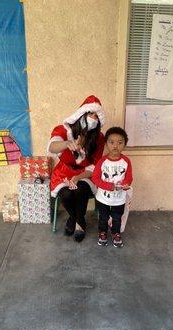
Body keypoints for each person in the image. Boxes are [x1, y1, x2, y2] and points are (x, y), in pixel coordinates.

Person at [47, 95, 105, 242]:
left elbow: (95, 165)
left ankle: (77, 223)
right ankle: (77, 219)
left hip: (85, 174)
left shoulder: (99, 138)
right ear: (81, 114)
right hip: (64, 172)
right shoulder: (63, 130)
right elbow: (52, 147)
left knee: (80, 190)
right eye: (90, 113)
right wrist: (67, 143)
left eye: (96, 115)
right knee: (66, 194)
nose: (93, 118)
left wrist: (78, 177)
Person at [92, 127, 133, 248]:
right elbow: (95, 178)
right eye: (112, 142)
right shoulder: (102, 161)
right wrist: (109, 186)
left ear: (125, 144)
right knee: (103, 217)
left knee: (117, 217)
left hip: (119, 198)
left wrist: (126, 184)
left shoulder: (126, 161)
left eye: (120, 142)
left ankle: (116, 233)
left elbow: (129, 177)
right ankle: (103, 232)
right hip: (103, 198)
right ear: (106, 144)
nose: (116, 146)